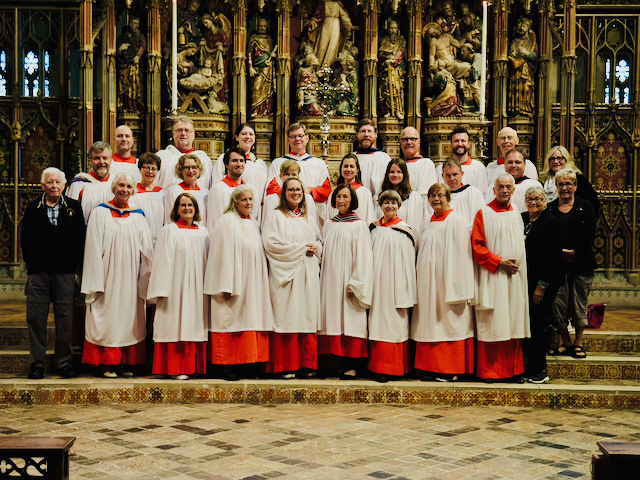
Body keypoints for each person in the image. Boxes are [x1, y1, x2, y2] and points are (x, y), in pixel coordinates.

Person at [81, 174, 153, 378]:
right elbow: (93, 247)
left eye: (129, 186)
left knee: (128, 317)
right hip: (106, 275)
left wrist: (145, 280)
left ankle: (123, 362)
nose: (125, 189)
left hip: (130, 278)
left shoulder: (138, 216)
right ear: (114, 188)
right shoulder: (100, 213)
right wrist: (95, 280)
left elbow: (146, 251)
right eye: (121, 185)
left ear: (133, 190)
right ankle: (106, 362)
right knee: (107, 316)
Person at [21, 167, 85, 379]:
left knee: (65, 320)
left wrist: (71, 265)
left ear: (64, 185)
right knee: (36, 320)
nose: (54, 186)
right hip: (38, 275)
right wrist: (33, 264)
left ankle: (64, 363)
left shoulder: (74, 208)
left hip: (65, 274)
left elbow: (80, 239)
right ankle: (37, 364)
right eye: (50, 182)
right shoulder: (32, 208)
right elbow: (25, 240)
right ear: (42, 185)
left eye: (58, 182)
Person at [205, 185, 274, 381]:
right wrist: (226, 284)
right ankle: (229, 365)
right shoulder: (227, 221)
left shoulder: (253, 223)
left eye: (251, 200)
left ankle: (249, 363)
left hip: (252, 283)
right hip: (234, 285)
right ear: (235, 201)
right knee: (231, 319)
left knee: (250, 318)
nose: (248, 203)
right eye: (244, 200)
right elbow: (222, 255)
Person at [412, 183, 475, 382]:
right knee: (429, 323)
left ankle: (450, 368)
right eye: (432, 195)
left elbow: (461, 255)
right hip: (427, 283)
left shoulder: (456, 221)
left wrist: (456, 285)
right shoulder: (425, 222)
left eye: (440, 195)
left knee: (448, 322)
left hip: (447, 282)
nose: (436, 199)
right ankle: (430, 367)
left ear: (448, 198)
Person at [472, 174, 530, 382]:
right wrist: (498, 262)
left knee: (513, 321)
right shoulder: (484, 213)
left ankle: (513, 371)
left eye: (508, 187)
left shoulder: (516, 212)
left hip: (515, 279)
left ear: (513, 191)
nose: (504, 190)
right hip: (493, 276)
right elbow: (477, 247)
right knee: (495, 322)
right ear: (494, 190)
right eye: (500, 187)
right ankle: (490, 371)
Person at [262, 178, 322, 379]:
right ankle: (285, 364)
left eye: (298, 190)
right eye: (291, 190)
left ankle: (306, 364)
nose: (296, 193)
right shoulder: (274, 216)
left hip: (308, 272)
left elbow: (319, 241)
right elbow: (271, 244)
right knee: (286, 315)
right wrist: (301, 248)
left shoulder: (308, 218)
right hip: (285, 274)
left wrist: (316, 248)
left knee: (306, 314)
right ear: (283, 193)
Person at [147, 193, 209, 380]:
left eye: (190, 205)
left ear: (196, 209)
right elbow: (161, 261)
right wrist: (161, 289)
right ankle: (175, 367)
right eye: (182, 205)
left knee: (194, 324)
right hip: (175, 286)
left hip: (198, 288)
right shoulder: (169, 230)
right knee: (175, 322)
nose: (187, 208)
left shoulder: (204, 232)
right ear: (176, 209)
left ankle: (193, 366)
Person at [319, 183, 373, 379]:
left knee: (351, 320)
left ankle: (354, 364)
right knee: (335, 320)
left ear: (353, 200)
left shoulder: (359, 225)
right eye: (339, 197)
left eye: (346, 197)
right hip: (331, 279)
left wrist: (356, 282)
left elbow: (364, 256)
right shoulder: (329, 224)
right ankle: (341, 362)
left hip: (349, 280)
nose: (341, 200)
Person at [547, 168, 596, 360]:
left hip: (581, 262)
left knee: (578, 303)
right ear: (556, 187)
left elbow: (590, 233)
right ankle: (566, 342)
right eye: (561, 184)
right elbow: (547, 234)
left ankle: (578, 343)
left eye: (568, 184)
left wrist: (575, 251)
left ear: (575, 186)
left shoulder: (586, 206)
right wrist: (558, 252)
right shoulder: (550, 208)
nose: (565, 188)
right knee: (557, 303)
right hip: (557, 264)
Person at [368, 190, 417, 383]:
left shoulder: (404, 230)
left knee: (394, 324)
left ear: (399, 206)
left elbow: (408, 263)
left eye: (393, 203)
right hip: (376, 284)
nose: (389, 206)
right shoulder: (372, 228)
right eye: (386, 203)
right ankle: (377, 366)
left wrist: (404, 288)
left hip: (396, 285)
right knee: (377, 323)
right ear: (380, 205)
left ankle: (395, 367)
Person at [522, 186, 563, 383]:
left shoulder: (550, 222)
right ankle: (530, 367)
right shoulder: (522, 219)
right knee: (528, 325)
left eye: (538, 199)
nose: (534, 202)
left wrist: (541, 286)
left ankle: (541, 369)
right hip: (526, 281)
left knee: (536, 324)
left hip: (543, 283)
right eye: (530, 199)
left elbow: (553, 259)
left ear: (545, 201)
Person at [265, 123, 331, 222]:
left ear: (307, 138)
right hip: (284, 214)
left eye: (300, 136)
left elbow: (326, 191)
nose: (297, 139)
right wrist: (292, 195)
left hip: (311, 213)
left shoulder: (318, 164)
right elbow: (271, 188)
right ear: (288, 140)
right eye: (293, 136)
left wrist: (309, 191)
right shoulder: (277, 163)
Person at [211, 123, 268, 215]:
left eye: (251, 134)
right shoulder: (223, 158)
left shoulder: (260, 164)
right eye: (244, 134)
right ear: (237, 137)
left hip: (254, 211)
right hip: (229, 208)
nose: (247, 137)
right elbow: (217, 186)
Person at [155, 116, 214, 190]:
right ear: (173, 134)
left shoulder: (204, 160)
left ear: (193, 135)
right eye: (179, 130)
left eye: (187, 130)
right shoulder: (162, 157)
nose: (183, 133)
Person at [208, 147, 259, 230]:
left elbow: (255, 218)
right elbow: (214, 221)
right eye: (234, 161)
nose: (239, 164)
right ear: (226, 164)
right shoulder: (218, 189)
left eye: (241, 161)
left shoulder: (251, 189)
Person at [540, 146, 599, 216]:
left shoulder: (578, 179)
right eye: (552, 159)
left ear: (566, 160)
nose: (555, 162)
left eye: (559, 158)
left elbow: (592, 203)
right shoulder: (544, 181)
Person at [66, 141, 115, 223]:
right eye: (97, 158)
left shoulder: (117, 184)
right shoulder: (79, 185)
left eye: (105, 158)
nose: (101, 162)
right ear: (90, 160)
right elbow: (71, 217)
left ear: (111, 160)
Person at [429, 159, 484, 229]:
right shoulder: (438, 197)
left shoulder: (473, 192)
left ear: (462, 174)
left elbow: (478, 220)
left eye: (455, 175)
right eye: (448, 175)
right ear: (442, 176)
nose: (452, 179)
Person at [262, 160, 317, 228]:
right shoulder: (272, 199)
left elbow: (312, 225)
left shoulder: (307, 199)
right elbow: (268, 226)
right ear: (280, 176)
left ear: (298, 176)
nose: (290, 177)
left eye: (294, 174)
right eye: (287, 174)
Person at [323, 154, 375, 225]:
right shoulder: (334, 194)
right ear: (341, 169)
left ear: (357, 170)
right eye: (345, 166)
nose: (348, 169)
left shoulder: (364, 192)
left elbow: (369, 219)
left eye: (352, 166)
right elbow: (328, 218)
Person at [486, 148, 541, 213]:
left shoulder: (533, 186)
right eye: (510, 162)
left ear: (524, 164)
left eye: (518, 162)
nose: (513, 165)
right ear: (504, 164)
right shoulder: (495, 186)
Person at [375, 158, 423, 232]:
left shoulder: (412, 197)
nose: (395, 175)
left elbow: (415, 227)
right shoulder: (378, 197)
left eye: (399, 172)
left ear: (404, 174)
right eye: (392, 172)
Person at [435, 127, 488, 193]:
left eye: (463, 141)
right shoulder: (440, 169)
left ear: (468, 144)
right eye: (456, 141)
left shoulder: (478, 168)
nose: (460, 144)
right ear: (451, 145)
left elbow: (483, 195)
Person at [305, 0, 353, 69]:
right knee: (322, 46)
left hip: (335, 24)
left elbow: (344, 15)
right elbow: (318, 16)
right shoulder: (323, 2)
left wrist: (350, 26)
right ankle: (318, 68)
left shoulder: (338, 3)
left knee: (332, 47)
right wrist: (312, 22)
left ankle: (328, 68)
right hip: (326, 24)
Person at [164, 154, 209, 227]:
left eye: (194, 167)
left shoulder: (205, 193)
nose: (191, 171)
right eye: (186, 168)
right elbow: (170, 218)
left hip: (200, 234)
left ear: (199, 169)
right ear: (180, 170)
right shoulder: (174, 191)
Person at [508, 17, 538, 118]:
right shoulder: (515, 41)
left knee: (526, 88)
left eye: (524, 26)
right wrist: (514, 53)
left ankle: (526, 109)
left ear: (528, 27)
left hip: (526, 69)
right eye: (520, 26)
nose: (521, 28)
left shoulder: (531, 41)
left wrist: (527, 53)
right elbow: (510, 54)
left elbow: (536, 56)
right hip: (516, 70)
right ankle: (517, 111)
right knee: (516, 89)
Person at [353, 118, 392, 195]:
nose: (366, 134)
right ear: (357, 134)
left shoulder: (383, 158)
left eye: (370, 131)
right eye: (363, 131)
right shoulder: (352, 158)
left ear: (375, 134)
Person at [134, 152, 165, 245]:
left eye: (153, 168)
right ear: (140, 170)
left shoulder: (163, 194)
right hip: (138, 241)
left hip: (158, 241)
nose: (150, 172)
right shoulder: (133, 193)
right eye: (146, 167)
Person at [248, 19, 277, 117]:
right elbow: (250, 54)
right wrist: (250, 67)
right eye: (260, 26)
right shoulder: (254, 39)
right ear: (257, 26)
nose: (262, 28)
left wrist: (273, 56)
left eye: (264, 26)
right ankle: (255, 110)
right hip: (257, 68)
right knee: (256, 88)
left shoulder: (269, 39)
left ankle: (266, 111)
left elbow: (271, 54)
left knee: (268, 90)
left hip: (267, 69)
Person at [378, 20, 406, 120]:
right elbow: (380, 54)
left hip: (397, 70)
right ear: (388, 29)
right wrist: (386, 58)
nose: (393, 31)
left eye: (395, 28)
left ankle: (398, 109)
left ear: (397, 29)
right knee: (386, 88)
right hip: (386, 69)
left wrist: (394, 60)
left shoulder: (401, 40)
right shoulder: (384, 40)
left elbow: (401, 53)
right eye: (391, 28)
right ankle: (387, 110)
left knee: (397, 89)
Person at [399, 126, 437, 197]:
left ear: (419, 142)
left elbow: (426, 195)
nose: (409, 142)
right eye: (405, 139)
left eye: (413, 139)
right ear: (400, 142)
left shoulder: (426, 164)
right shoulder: (397, 165)